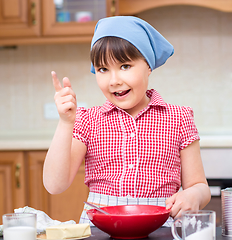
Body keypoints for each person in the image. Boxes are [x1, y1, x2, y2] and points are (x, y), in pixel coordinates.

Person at [43, 16, 211, 226]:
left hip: (162, 228)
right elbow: (54, 185)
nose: (114, 80)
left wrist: (193, 194)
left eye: (125, 66)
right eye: (103, 69)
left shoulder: (179, 118)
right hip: (100, 230)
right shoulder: (87, 120)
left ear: (148, 66)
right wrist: (66, 123)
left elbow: (200, 186)